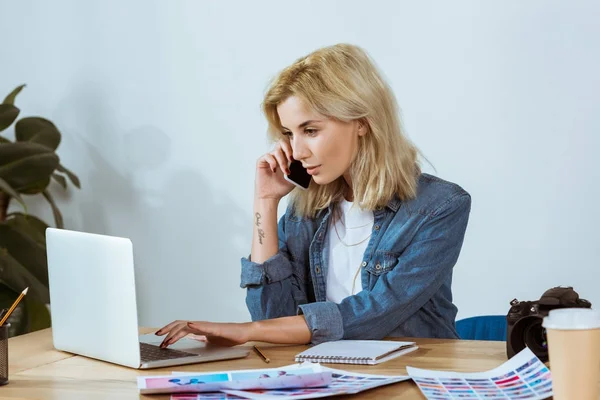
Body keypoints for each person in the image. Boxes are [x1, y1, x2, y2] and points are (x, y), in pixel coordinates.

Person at [156, 43, 471, 348]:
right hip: (331, 376)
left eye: (310, 131)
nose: (297, 151)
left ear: (361, 122)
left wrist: (247, 331)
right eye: (289, 134)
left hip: (415, 377)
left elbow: (374, 313)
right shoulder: (306, 212)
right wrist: (265, 202)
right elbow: (272, 318)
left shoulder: (440, 206)